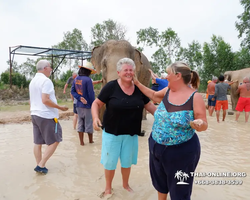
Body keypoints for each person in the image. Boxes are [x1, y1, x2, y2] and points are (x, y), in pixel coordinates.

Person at [133, 61, 208, 200]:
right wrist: (137, 83)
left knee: (180, 191)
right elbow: (154, 95)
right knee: (160, 184)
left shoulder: (195, 97)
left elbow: (204, 124)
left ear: (178, 76)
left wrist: (199, 123)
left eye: (168, 74)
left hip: (182, 153)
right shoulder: (167, 91)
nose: (166, 77)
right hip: (156, 146)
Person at [91, 58, 156, 197]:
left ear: (134, 72)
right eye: (125, 70)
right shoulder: (111, 87)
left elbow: (150, 106)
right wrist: (96, 118)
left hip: (131, 134)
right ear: (119, 72)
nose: (128, 72)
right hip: (112, 133)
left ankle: (125, 185)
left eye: (131, 70)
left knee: (127, 162)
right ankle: (108, 188)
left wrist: (165, 117)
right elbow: (96, 104)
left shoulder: (139, 88)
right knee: (110, 162)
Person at [29, 60, 69, 175]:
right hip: (46, 115)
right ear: (45, 68)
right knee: (56, 140)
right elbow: (45, 100)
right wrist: (60, 107)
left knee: (38, 142)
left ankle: (39, 165)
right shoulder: (46, 81)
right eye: (50, 67)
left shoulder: (33, 81)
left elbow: (31, 100)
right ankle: (41, 165)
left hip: (35, 114)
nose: (51, 69)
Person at [71, 62, 96, 146]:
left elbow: (72, 91)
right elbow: (91, 93)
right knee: (89, 123)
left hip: (78, 105)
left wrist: (79, 98)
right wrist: (93, 105)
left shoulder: (76, 79)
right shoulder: (88, 80)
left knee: (80, 123)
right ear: (88, 71)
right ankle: (91, 141)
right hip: (88, 106)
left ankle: (81, 142)